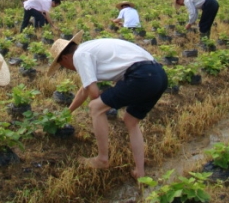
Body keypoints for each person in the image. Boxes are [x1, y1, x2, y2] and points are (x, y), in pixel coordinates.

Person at [48, 31, 167, 179]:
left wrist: (100, 108)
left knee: (95, 107)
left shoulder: (80, 55)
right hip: (158, 75)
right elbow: (84, 90)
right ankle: (140, 172)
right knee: (131, 120)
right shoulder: (89, 49)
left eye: (62, 66)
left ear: (65, 58)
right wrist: (68, 112)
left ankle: (102, 159)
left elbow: (93, 94)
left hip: (142, 75)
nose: (66, 68)